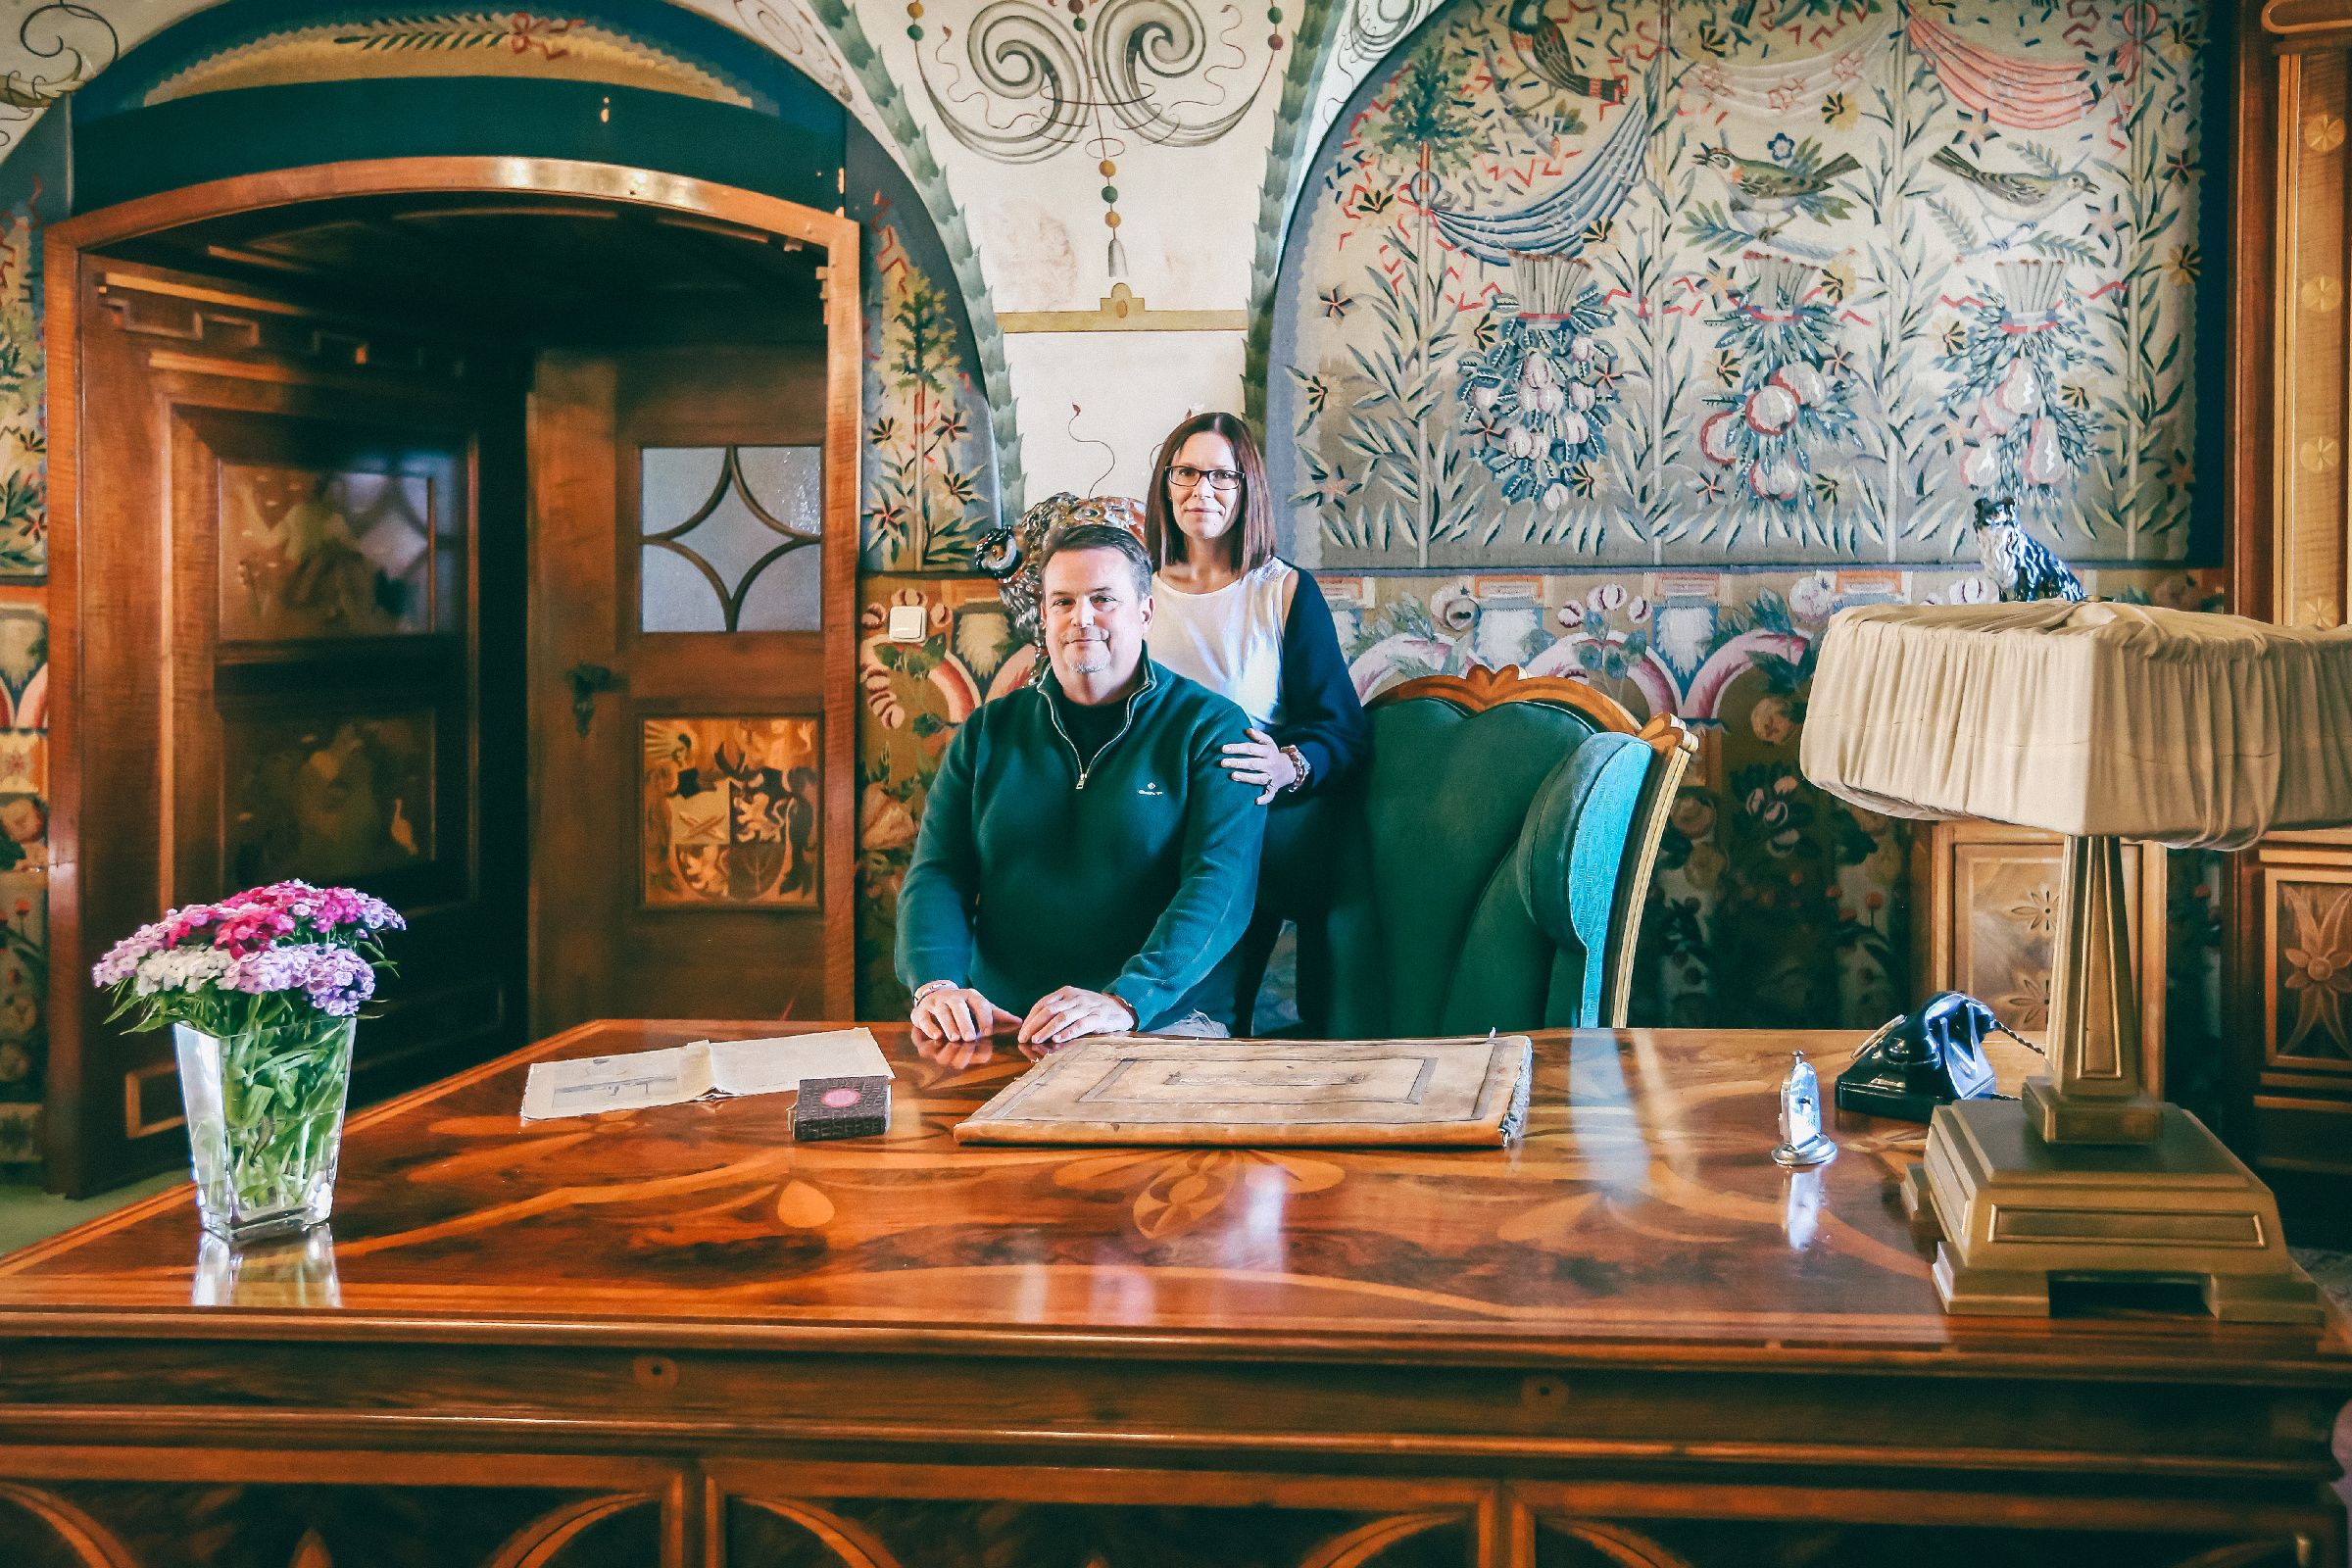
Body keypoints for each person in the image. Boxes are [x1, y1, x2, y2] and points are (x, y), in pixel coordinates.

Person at [896, 521, 1266, 1055]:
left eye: (1103, 599)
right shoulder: (988, 730)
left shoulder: (1213, 729)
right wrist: (937, 985)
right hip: (1005, 1022)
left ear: (1145, 611)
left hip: (1161, 1021)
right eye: (1063, 602)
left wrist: (1127, 1000)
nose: (1081, 618)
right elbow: (938, 873)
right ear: (1044, 615)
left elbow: (1221, 886)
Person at [1141, 412, 1369, 1033]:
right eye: (1186, 473)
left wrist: (1287, 764)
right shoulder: (1135, 589)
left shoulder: (1284, 591)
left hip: (1242, 815)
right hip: (1142, 809)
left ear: (1247, 489)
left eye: (1221, 475)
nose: (1201, 490)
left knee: (1200, 1014)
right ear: (1166, 483)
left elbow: (1343, 732)